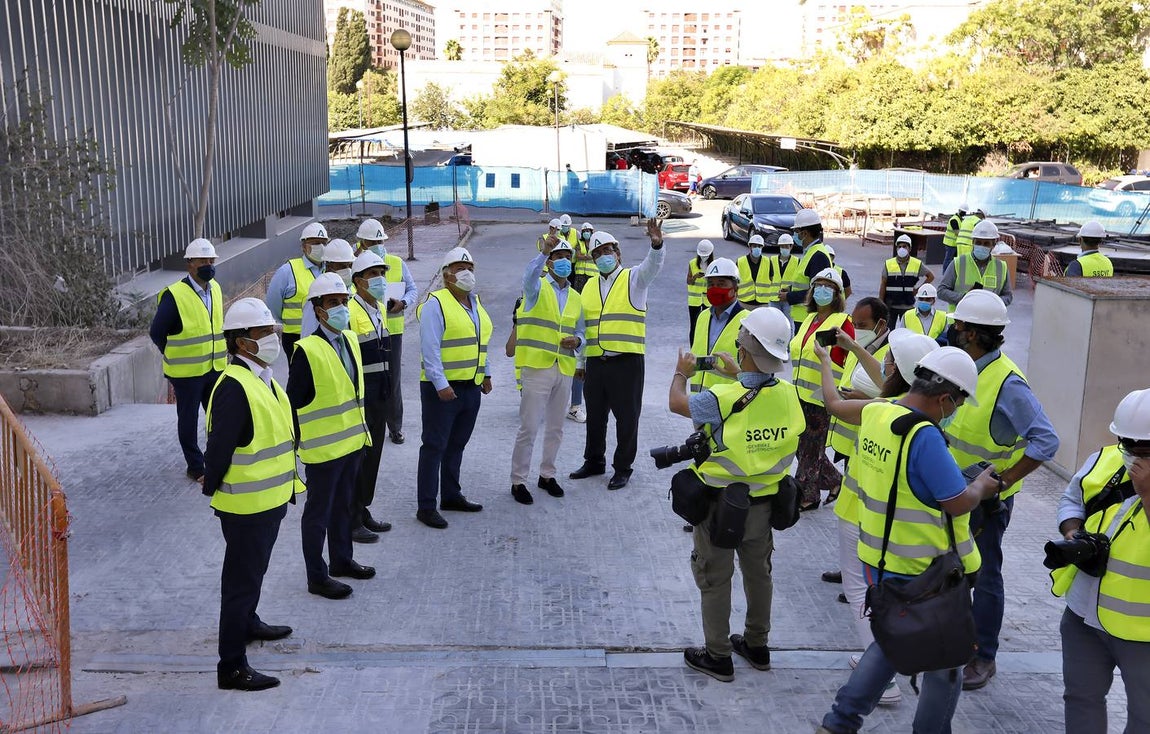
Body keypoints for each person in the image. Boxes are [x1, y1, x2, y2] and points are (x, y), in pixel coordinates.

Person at [815, 346, 1001, 734]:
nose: (957, 409)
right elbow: (956, 504)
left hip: (880, 559)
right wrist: (981, 487)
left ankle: (840, 722)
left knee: (889, 643)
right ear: (945, 398)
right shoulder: (925, 437)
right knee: (945, 661)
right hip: (927, 572)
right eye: (960, 402)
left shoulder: (878, 411)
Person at [667, 307, 804, 682]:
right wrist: (740, 374)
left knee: (715, 578)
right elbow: (759, 395)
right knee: (759, 575)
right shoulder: (791, 396)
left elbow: (677, 402)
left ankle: (718, 655)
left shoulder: (721, 397)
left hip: (720, 509)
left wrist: (682, 372)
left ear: (743, 349)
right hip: (765, 506)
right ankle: (757, 646)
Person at [944, 290, 1060, 690]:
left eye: (958, 326)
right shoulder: (964, 366)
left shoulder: (1007, 383)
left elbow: (1045, 441)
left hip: (986, 505)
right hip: (953, 494)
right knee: (951, 570)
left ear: (974, 334)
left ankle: (983, 656)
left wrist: (1005, 481)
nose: (953, 330)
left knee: (986, 574)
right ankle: (952, 643)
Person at [820, 328, 940, 706]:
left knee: (860, 591)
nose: (883, 363)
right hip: (897, 525)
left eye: (887, 359)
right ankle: (885, 661)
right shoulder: (922, 413)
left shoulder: (876, 411)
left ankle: (881, 679)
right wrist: (854, 346)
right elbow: (890, 379)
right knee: (884, 595)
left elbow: (833, 403)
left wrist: (826, 362)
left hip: (860, 513)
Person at [203, 298, 297, 692]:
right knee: (239, 583)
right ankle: (232, 666)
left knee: (253, 574)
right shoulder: (233, 387)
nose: (273, 337)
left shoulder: (263, 377)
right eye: (263, 333)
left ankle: (249, 622)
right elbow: (219, 448)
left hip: (269, 501)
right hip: (246, 506)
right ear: (242, 342)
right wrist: (212, 486)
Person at [1054, 389, 1150, 733]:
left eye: (1144, 450)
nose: (1132, 456)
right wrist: (1072, 532)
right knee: (1080, 699)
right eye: (1127, 445)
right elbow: (1071, 499)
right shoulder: (1104, 459)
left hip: (1141, 632)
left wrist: (1147, 494)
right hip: (1083, 615)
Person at [287, 272, 373, 600]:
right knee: (317, 515)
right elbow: (292, 403)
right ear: (318, 310)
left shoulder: (349, 340)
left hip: (351, 445)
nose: (341, 307)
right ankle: (317, 576)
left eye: (343, 301)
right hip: (323, 453)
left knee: (343, 508)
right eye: (333, 303)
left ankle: (342, 560)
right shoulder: (306, 351)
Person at [569, 220, 666, 491]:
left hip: (627, 362)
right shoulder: (587, 286)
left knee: (627, 419)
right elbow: (582, 327)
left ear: (618, 252)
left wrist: (656, 245)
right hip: (596, 364)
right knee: (596, 417)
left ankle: (622, 468)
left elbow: (653, 266)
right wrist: (580, 362)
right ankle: (594, 461)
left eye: (607, 250)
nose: (602, 256)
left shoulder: (634, 279)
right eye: (597, 253)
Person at [416, 247, 492, 529]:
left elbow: (480, 340)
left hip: (470, 387)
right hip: (443, 391)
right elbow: (430, 348)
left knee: (457, 444)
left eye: (470, 267)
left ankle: (451, 494)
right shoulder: (436, 303)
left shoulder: (476, 302)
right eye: (460, 268)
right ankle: (426, 506)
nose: (466, 273)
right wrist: (440, 383)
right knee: (434, 446)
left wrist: (486, 373)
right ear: (446, 274)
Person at [510, 236, 585, 505]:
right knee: (529, 427)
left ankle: (547, 475)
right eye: (557, 256)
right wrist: (543, 252)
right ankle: (518, 480)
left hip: (563, 367)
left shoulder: (576, 297)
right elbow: (528, 276)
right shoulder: (536, 288)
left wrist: (578, 342)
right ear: (549, 262)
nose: (563, 260)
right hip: (537, 366)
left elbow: (581, 331)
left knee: (555, 428)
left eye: (567, 256)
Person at [149, 238, 226, 483]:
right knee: (189, 420)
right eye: (203, 261)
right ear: (190, 264)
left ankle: (217, 460)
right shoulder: (175, 295)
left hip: (214, 367)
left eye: (211, 260)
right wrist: (172, 352)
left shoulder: (216, 288)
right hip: (186, 373)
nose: (208, 265)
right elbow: (157, 332)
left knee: (218, 417)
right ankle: (196, 467)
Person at [789, 268, 854, 511]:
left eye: (828, 287)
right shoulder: (809, 319)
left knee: (810, 449)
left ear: (837, 294)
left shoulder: (841, 323)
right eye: (818, 285)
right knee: (801, 446)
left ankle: (807, 494)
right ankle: (835, 480)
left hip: (821, 396)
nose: (822, 290)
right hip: (799, 393)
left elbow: (845, 360)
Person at [355, 218, 418, 445]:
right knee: (362, 379)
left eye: (380, 240)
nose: (378, 244)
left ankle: (395, 427)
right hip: (361, 331)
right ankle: (365, 427)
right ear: (361, 243)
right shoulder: (352, 265)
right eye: (373, 241)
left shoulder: (396, 263)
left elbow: (412, 289)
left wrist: (404, 302)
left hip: (391, 331)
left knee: (392, 380)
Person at [824, 298, 890, 503]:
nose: (856, 329)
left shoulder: (890, 354)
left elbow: (898, 397)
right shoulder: (857, 345)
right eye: (854, 324)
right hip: (849, 438)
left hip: (871, 444)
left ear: (881, 325)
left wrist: (869, 399)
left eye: (862, 325)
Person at [347, 251, 393, 543]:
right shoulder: (351, 311)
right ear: (358, 281)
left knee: (372, 457)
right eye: (372, 274)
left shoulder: (378, 309)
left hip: (380, 395)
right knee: (358, 461)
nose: (379, 279)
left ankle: (363, 509)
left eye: (381, 273)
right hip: (361, 399)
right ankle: (350, 520)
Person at [266, 222, 328, 352]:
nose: (321, 247)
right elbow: (273, 304)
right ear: (303, 246)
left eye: (324, 243)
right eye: (316, 243)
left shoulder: (331, 268)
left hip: (326, 333)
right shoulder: (287, 271)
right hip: (296, 337)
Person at [689, 258, 747, 395]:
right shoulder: (703, 317)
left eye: (721, 284)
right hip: (699, 402)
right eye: (711, 284)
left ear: (735, 288)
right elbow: (702, 359)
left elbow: (755, 375)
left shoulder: (748, 322)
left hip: (729, 405)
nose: (715, 289)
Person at [937, 219, 1013, 314]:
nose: (981, 246)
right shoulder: (958, 263)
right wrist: (965, 298)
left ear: (993, 245)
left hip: (988, 322)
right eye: (978, 243)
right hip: (960, 321)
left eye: (986, 244)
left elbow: (1008, 296)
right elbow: (941, 291)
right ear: (973, 242)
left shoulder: (1001, 267)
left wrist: (993, 302)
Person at [783, 209, 834, 330]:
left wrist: (789, 296)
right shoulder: (811, 252)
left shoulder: (818, 255)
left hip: (809, 318)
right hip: (803, 317)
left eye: (796, 231)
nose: (794, 235)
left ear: (804, 233)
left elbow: (818, 292)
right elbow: (806, 283)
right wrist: (790, 290)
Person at [567, 222, 597, 424]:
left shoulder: (597, 286)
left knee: (579, 363)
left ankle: (575, 406)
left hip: (584, 335)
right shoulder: (570, 291)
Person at [299, 238, 357, 337]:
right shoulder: (318, 293)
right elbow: (308, 335)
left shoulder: (351, 289)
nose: (348, 270)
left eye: (350, 265)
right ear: (329, 267)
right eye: (343, 266)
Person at [880, 234, 934, 325]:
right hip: (890, 304)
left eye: (904, 246)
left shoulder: (916, 263)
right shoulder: (888, 264)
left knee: (908, 330)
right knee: (888, 332)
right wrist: (880, 303)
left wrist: (917, 290)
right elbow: (883, 284)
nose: (901, 249)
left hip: (907, 305)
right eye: (899, 246)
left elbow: (931, 276)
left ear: (909, 248)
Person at [736, 234, 777, 310]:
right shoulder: (740, 262)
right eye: (754, 246)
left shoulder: (768, 261)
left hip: (763, 303)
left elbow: (771, 279)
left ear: (762, 247)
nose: (757, 248)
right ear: (750, 247)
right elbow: (735, 281)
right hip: (744, 302)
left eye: (759, 246)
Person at [769, 234, 802, 323]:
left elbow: (798, 280)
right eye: (782, 246)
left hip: (788, 298)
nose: (784, 248)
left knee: (788, 323)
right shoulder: (772, 260)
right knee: (774, 323)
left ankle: (789, 338)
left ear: (791, 247)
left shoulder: (797, 261)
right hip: (774, 298)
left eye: (786, 246)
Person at [686, 240, 714, 344]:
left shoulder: (713, 265)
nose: (704, 257)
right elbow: (688, 281)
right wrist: (694, 277)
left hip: (708, 300)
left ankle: (705, 346)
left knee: (707, 325)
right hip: (694, 300)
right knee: (694, 325)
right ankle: (693, 347)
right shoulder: (693, 263)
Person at [942, 203, 981, 271]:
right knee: (948, 260)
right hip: (950, 244)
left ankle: (951, 273)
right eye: (963, 211)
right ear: (959, 210)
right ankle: (945, 273)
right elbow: (957, 232)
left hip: (956, 243)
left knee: (954, 260)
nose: (964, 213)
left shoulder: (960, 219)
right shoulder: (954, 220)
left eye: (965, 212)